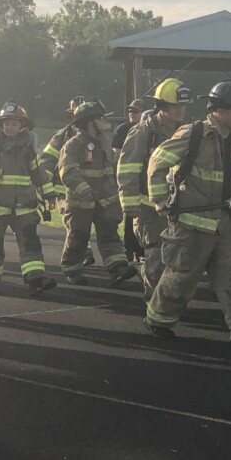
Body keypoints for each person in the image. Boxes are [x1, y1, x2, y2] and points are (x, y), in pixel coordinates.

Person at [144, 80, 231, 343]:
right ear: (220, 110)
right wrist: (158, 198)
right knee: (180, 278)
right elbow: (157, 161)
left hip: (226, 224)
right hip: (191, 225)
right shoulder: (194, 133)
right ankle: (158, 320)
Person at [117, 79, 190, 299]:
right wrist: (130, 206)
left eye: (183, 106)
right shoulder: (142, 133)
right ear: (161, 106)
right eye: (175, 106)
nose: (180, 110)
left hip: (176, 207)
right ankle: (153, 305)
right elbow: (127, 169)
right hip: (148, 208)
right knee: (156, 259)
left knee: (175, 259)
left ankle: (150, 279)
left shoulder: (187, 132)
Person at [0, 101, 57, 296]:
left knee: (30, 242)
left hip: (24, 207)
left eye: (14, 124)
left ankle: (36, 279)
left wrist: (49, 195)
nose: (10, 127)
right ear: (1, 125)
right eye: (6, 123)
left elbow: (40, 174)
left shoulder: (28, 149)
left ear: (22, 126)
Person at [57, 100, 135, 286]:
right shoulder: (73, 145)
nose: (104, 121)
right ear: (88, 121)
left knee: (109, 234)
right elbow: (68, 171)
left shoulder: (104, 141)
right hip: (81, 202)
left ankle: (118, 269)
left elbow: (112, 167)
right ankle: (72, 269)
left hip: (105, 200)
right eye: (100, 117)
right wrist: (85, 191)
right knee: (78, 236)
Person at [41, 95, 96, 268]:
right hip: (65, 190)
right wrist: (46, 188)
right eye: (75, 114)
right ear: (70, 116)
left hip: (92, 191)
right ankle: (84, 253)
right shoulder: (61, 137)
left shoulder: (97, 137)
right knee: (75, 223)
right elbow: (46, 162)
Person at [114, 98, 148, 266]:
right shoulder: (123, 130)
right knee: (130, 216)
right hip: (130, 180)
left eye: (135, 111)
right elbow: (119, 154)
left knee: (145, 219)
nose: (131, 113)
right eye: (130, 111)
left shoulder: (150, 130)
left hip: (146, 183)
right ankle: (128, 249)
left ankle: (142, 252)